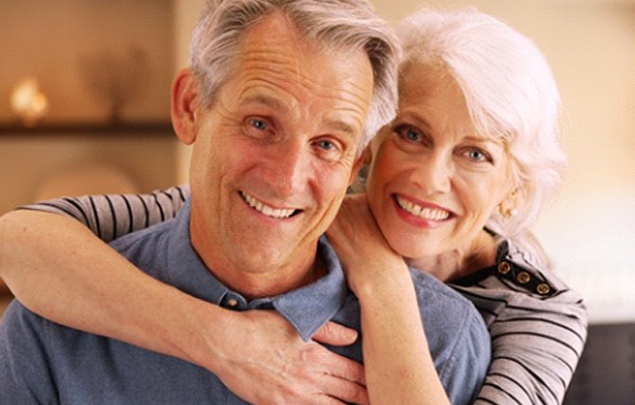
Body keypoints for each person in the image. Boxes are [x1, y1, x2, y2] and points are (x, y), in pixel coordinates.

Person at [0, 5, 587, 405]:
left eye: (476, 154)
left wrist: (383, 279)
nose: (286, 179)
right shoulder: (57, 317)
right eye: (260, 123)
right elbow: (22, 239)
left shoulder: (526, 318)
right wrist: (225, 341)